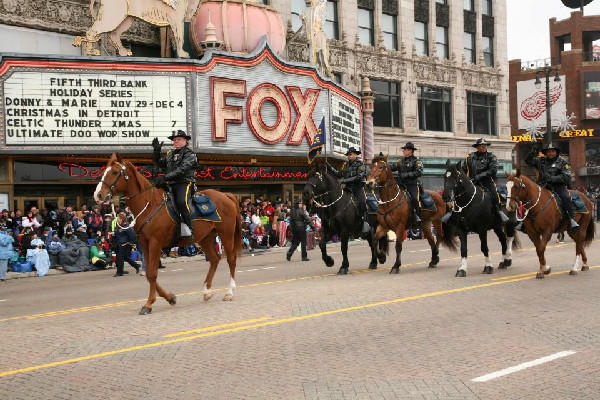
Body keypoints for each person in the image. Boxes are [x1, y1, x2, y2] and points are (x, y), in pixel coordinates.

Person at [442, 138, 509, 223]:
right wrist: (464, 178)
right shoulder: (470, 157)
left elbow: (493, 170)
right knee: (457, 193)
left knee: (494, 194)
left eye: (485, 145)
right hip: (471, 181)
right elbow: (464, 169)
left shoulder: (491, 157)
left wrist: (479, 176)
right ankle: (451, 213)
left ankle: (498, 212)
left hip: (486, 181)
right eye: (481, 146)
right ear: (477, 147)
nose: (484, 147)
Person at [152, 130, 198, 238]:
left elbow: (182, 170)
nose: (176, 142)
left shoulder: (190, 155)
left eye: (179, 139)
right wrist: (156, 152)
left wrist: (165, 177)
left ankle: (189, 228)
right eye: (174, 140)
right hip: (171, 184)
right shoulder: (170, 154)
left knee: (182, 202)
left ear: (185, 141)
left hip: (184, 183)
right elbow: (160, 164)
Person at [525, 142, 578, 232]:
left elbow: (566, 176)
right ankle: (524, 222)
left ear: (556, 152)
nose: (550, 153)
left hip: (558, 186)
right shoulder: (540, 161)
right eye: (548, 151)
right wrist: (532, 152)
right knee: (529, 197)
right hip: (543, 185)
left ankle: (572, 219)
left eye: (553, 151)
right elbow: (528, 162)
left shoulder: (563, 162)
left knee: (565, 197)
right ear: (545, 153)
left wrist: (552, 178)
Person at [328, 146, 369, 228]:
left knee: (362, 203)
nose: (349, 156)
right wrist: (330, 167)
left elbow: (359, 177)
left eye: (350, 154)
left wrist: (343, 181)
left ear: (355, 155)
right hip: (348, 188)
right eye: (348, 155)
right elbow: (339, 175)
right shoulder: (345, 165)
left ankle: (364, 221)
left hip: (357, 188)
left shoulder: (361, 164)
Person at [391, 142, 423, 223]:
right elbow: (391, 167)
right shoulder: (400, 161)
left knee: (415, 199)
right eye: (404, 150)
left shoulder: (417, 161)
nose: (403, 151)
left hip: (411, 184)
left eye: (405, 150)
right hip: (400, 184)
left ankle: (417, 216)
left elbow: (419, 172)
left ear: (410, 151)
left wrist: (405, 175)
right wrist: (383, 164)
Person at [112, 212, 140, 277]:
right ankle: (136, 265)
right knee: (125, 257)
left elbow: (132, 235)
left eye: (118, 218)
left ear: (122, 219)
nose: (117, 220)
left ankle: (119, 272)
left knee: (120, 257)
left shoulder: (126, 226)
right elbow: (117, 234)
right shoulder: (118, 226)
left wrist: (131, 243)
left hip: (125, 244)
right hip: (119, 244)